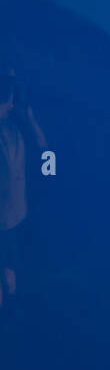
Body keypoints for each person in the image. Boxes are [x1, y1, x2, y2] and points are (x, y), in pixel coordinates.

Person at [0, 65, 47, 310]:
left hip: (13, 218)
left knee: (8, 271)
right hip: (13, 216)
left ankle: (10, 301)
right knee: (8, 272)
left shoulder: (15, 130)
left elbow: (41, 147)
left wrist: (26, 115)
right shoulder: (14, 129)